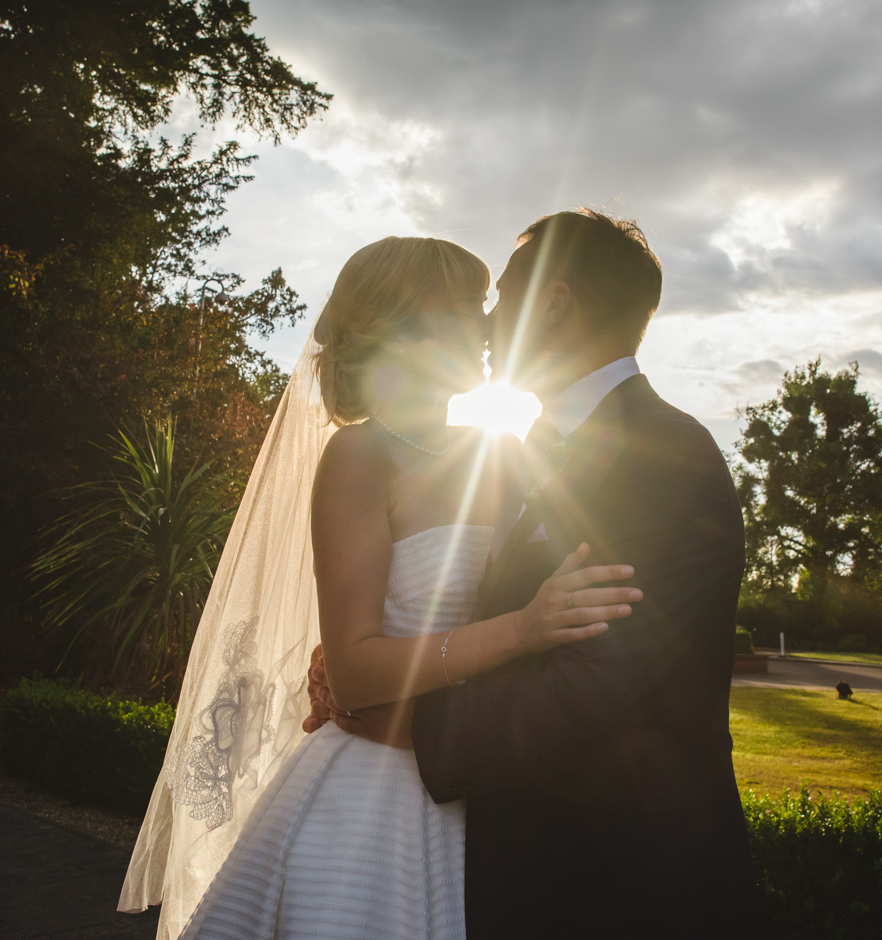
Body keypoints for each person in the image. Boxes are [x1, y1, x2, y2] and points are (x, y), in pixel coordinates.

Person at [120, 235, 639, 939]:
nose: (487, 325)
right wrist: (521, 629)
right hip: (371, 800)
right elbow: (359, 668)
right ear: (403, 329)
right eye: (463, 305)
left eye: (483, 302)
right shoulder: (361, 458)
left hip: (480, 795)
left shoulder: (513, 455)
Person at [311, 210, 758, 938]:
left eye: (498, 299)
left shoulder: (664, 458)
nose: (486, 324)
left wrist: (389, 717)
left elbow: (598, 691)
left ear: (552, 303)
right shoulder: (531, 450)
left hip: (618, 888)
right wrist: (367, 658)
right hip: (505, 862)